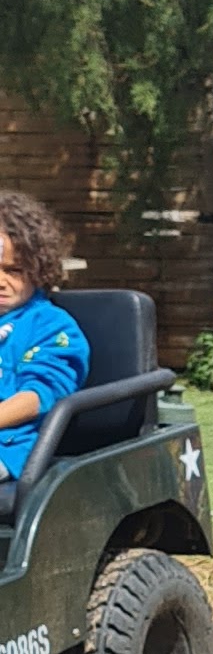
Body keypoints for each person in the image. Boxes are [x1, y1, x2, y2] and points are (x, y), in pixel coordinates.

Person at [0, 192, 89, 473]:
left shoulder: (52, 327)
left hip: (9, 447)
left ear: (37, 269)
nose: (1, 281)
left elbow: (39, 396)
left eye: (14, 270)